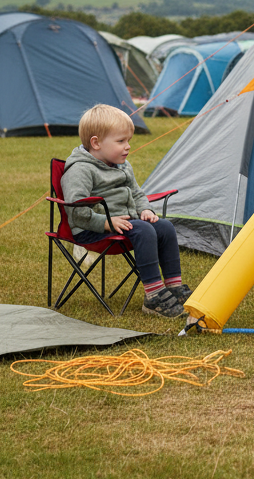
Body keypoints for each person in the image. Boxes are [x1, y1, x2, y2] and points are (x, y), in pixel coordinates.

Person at [61, 104, 190, 319]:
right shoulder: (80, 169)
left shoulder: (121, 165)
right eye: (121, 141)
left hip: (125, 223)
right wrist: (106, 223)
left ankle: (173, 288)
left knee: (164, 226)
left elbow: (137, 193)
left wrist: (145, 210)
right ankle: (154, 296)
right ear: (96, 143)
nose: (127, 146)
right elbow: (76, 211)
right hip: (92, 229)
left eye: (128, 140)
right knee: (143, 230)